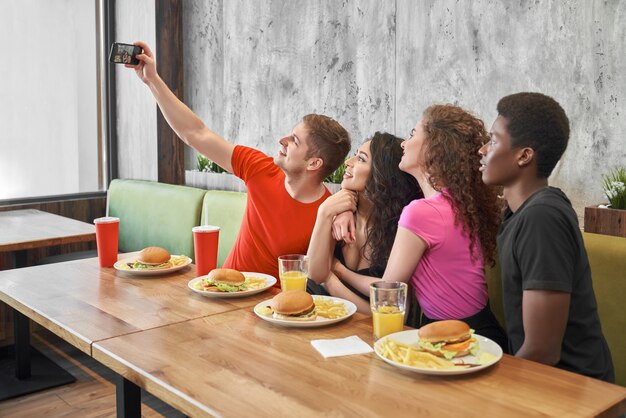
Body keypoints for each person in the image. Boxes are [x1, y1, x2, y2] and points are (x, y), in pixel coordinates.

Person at [127, 41, 352, 280]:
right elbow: (195, 133)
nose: (282, 140)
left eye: (294, 140)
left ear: (314, 164)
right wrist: (152, 80)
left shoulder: (328, 212)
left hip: (272, 308)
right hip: (223, 287)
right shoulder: (259, 168)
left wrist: (349, 205)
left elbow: (319, 276)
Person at [336, 105, 508, 350]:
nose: (404, 144)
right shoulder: (457, 202)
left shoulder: (422, 212)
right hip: (477, 332)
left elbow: (387, 289)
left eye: (413, 134)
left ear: (435, 148)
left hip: (458, 340)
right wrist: (344, 201)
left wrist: (335, 270)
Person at [478, 92, 614, 381]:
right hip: (541, 382)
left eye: (492, 140)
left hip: (574, 391)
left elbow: (543, 351)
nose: (482, 150)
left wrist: (489, 390)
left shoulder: (542, 218)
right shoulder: (519, 213)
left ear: (524, 155)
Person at [307, 132, 422, 313]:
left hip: (370, 331)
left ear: (381, 175)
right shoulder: (337, 212)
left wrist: (333, 276)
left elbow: (394, 312)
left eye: (360, 159)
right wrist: (324, 213)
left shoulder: (402, 227)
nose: (348, 162)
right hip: (319, 317)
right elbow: (314, 275)